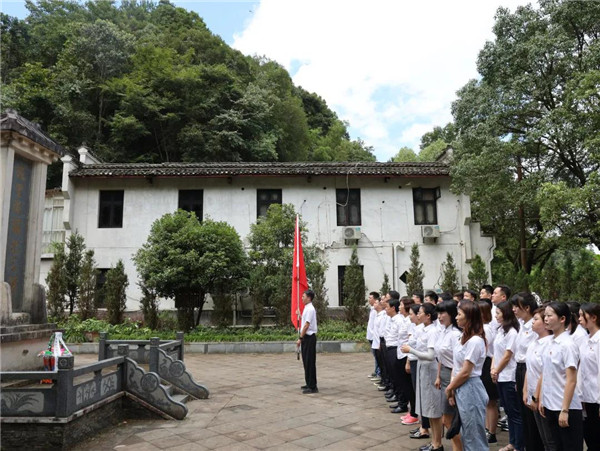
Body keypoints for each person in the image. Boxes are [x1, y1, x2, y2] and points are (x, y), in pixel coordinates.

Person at [536, 302, 583, 451]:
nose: (546, 319)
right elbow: (547, 373)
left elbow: (571, 380)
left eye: (550, 316)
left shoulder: (568, 345)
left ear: (562, 319)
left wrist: (565, 410)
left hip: (565, 407)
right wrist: (543, 399)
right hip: (550, 405)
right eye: (545, 316)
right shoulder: (549, 342)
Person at [445, 301, 489, 451]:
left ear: (469, 317)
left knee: (474, 435)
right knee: (466, 433)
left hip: (471, 388)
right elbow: (456, 367)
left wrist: (450, 388)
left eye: (459, 315)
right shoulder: (463, 337)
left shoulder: (476, 341)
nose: (456, 318)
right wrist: (453, 389)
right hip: (461, 387)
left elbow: (465, 372)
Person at [402, 302, 443, 451]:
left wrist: (411, 350)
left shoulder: (433, 331)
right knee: (427, 409)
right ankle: (433, 441)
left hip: (430, 370)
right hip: (422, 369)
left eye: (420, 313)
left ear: (428, 316)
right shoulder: (423, 329)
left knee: (433, 409)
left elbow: (431, 355)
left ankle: (437, 443)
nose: (418, 315)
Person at [511, 292, 542, 451]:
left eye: (517, 306)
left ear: (528, 307)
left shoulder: (535, 326)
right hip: (520, 369)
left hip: (530, 369)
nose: (514, 309)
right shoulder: (521, 325)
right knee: (523, 413)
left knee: (532, 416)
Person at [524, 307, 557, 451]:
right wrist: (526, 391)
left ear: (545, 324)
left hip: (544, 397)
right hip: (533, 395)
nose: (532, 322)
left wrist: (536, 396)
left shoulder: (549, 344)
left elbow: (544, 373)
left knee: (550, 439)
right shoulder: (534, 343)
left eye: (536, 319)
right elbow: (529, 370)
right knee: (542, 437)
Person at [491, 300, 523, 451]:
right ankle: (512, 442)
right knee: (508, 412)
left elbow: (507, 355)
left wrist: (496, 370)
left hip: (509, 376)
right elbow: (495, 353)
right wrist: (493, 368)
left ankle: (519, 445)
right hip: (500, 375)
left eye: (498, 313)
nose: (496, 316)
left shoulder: (512, 332)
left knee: (515, 413)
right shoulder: (500, 330)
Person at [434, 300, 463, 451]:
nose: (439, 317)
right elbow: (440, 356)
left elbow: (456, 362)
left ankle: (461, 447)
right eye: (438, 313)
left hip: (453, 376)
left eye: (442, 313)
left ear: (451, 314)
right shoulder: (444, 331)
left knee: (448, 419)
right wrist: (438, 376)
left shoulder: (455, 335)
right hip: (444, 373)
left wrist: (451, 387)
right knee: (447, 418)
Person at [577, 303, 600, 451]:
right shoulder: (585, 340)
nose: (579, 319)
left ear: (593, 317)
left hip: (597, 398)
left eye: (582, 315)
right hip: (586, 398)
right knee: (589, 436)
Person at [478, 300, 499, 444]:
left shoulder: (487, 329)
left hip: (487, 363)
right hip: (482, 364)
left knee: (490, 400)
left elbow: (484, 349)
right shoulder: (480, 328)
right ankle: (487, 428)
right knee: (486, 401)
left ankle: (491, 431)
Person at [297, 290, 318, 394]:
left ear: (309, 298)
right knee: (306, 361)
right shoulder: (307, 308)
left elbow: (307, 325)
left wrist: (300, 338)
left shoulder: (310, 309)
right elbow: (305, 321)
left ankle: (313, 386)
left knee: (310, 361)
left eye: (303, 296)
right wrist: (300, 315)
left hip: (309, 338)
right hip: (306, 337)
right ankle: (308, 383)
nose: (302, 298)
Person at [366, 292, 381, 379]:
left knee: (377, 356)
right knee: (375, 356)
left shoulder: (377, 311)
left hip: (374, 336)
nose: (369, 299)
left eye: (371, 298)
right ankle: (376, 371)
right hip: (371, 336)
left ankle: (378, 372)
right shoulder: (372, 309)